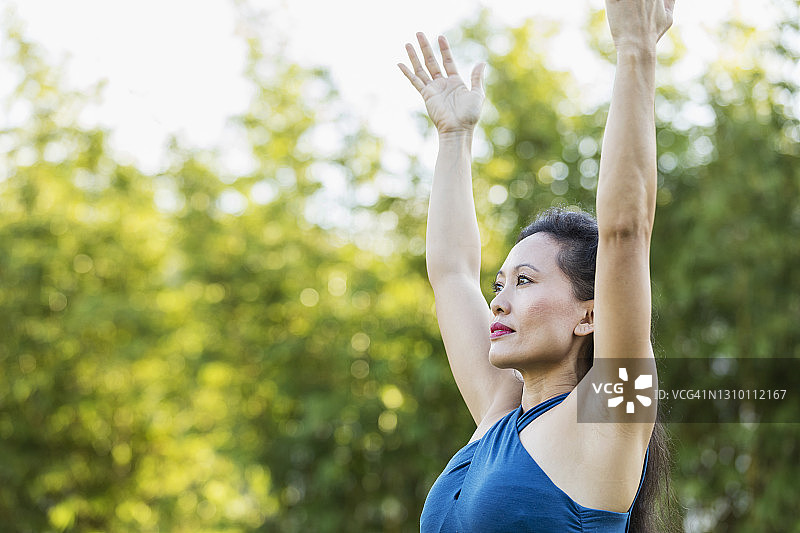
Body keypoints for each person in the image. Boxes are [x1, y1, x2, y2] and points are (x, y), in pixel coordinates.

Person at [398, 1, 677, 531]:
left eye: (525, 281)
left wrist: (636, 50)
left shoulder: (611, 415)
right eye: (501, 283)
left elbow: (625, 233)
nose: (498, 299)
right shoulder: (499, 411)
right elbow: (452, 272)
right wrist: (454, 137)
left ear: (589, 316)